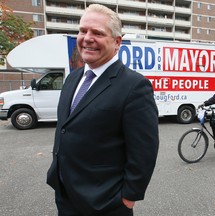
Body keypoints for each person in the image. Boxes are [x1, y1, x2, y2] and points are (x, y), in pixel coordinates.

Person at [46, 4, 159, 216]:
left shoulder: (134, 86)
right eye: (82, 30)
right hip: (65, 195)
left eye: (97, 33)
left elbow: (144, 150)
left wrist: (129, 196)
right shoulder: (73, 78)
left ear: (117, 42)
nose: (87, 38)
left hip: (106, 204)